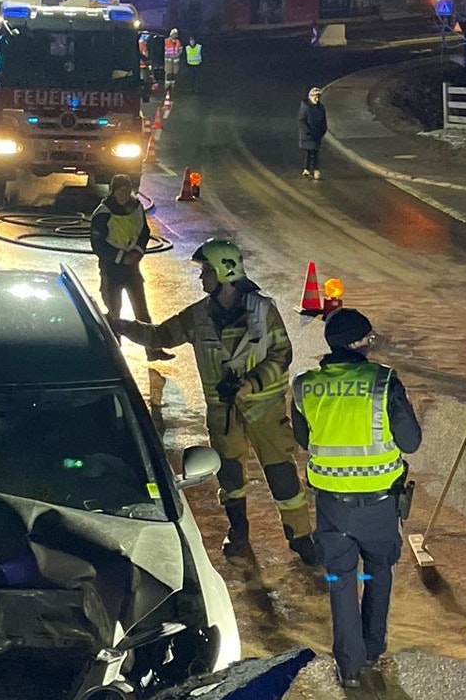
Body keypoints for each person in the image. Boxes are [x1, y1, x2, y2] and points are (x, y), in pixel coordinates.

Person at [112, 239, 316, 565]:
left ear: (224, 270)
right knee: (231, 478)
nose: (201, 277)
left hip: (265, 411)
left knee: (282, 476)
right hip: (223, 415)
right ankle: (238, 532)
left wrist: (252, 384)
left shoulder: (263, 311)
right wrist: (119, 325)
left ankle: (302, 538)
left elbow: (282, 353)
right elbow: (159, 337)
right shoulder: (198, 316)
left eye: (206, 270)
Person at [293, 308, 421, 689]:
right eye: (368, 338)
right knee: (378, 572)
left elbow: (305, 439)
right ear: (357, 343)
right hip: (379, 506)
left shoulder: (305, 385)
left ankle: (349, 667)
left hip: (332, 507)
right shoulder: (383, 382)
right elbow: (410, 441)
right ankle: (373, 647)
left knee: (341, 580)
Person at [90, 175, 173, 363]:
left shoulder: (136, 207)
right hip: (111, 269)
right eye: (122, 191)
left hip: (132, 268)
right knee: (114, 312)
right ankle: (114, 356)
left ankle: (153, 350)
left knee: (142, 310)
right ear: (114, 191)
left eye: (128, 190)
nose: (125, 194)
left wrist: (137, 252)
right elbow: (98, 245)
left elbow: (144, 232)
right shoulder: (103, 213)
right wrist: (121, 257)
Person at [299, 87, 328, 180]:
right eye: (315, 96)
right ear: (310, 97)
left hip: (317, 133)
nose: (317, 98)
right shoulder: (306, 107)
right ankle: (308, 169)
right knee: (309, 151)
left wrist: (323, 129)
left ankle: (313, 170)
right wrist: (307, 131)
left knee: (315, 152)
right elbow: (302, 120)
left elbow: (323, 120)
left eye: (318, 96)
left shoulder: (321, 108)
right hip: (308, 134)